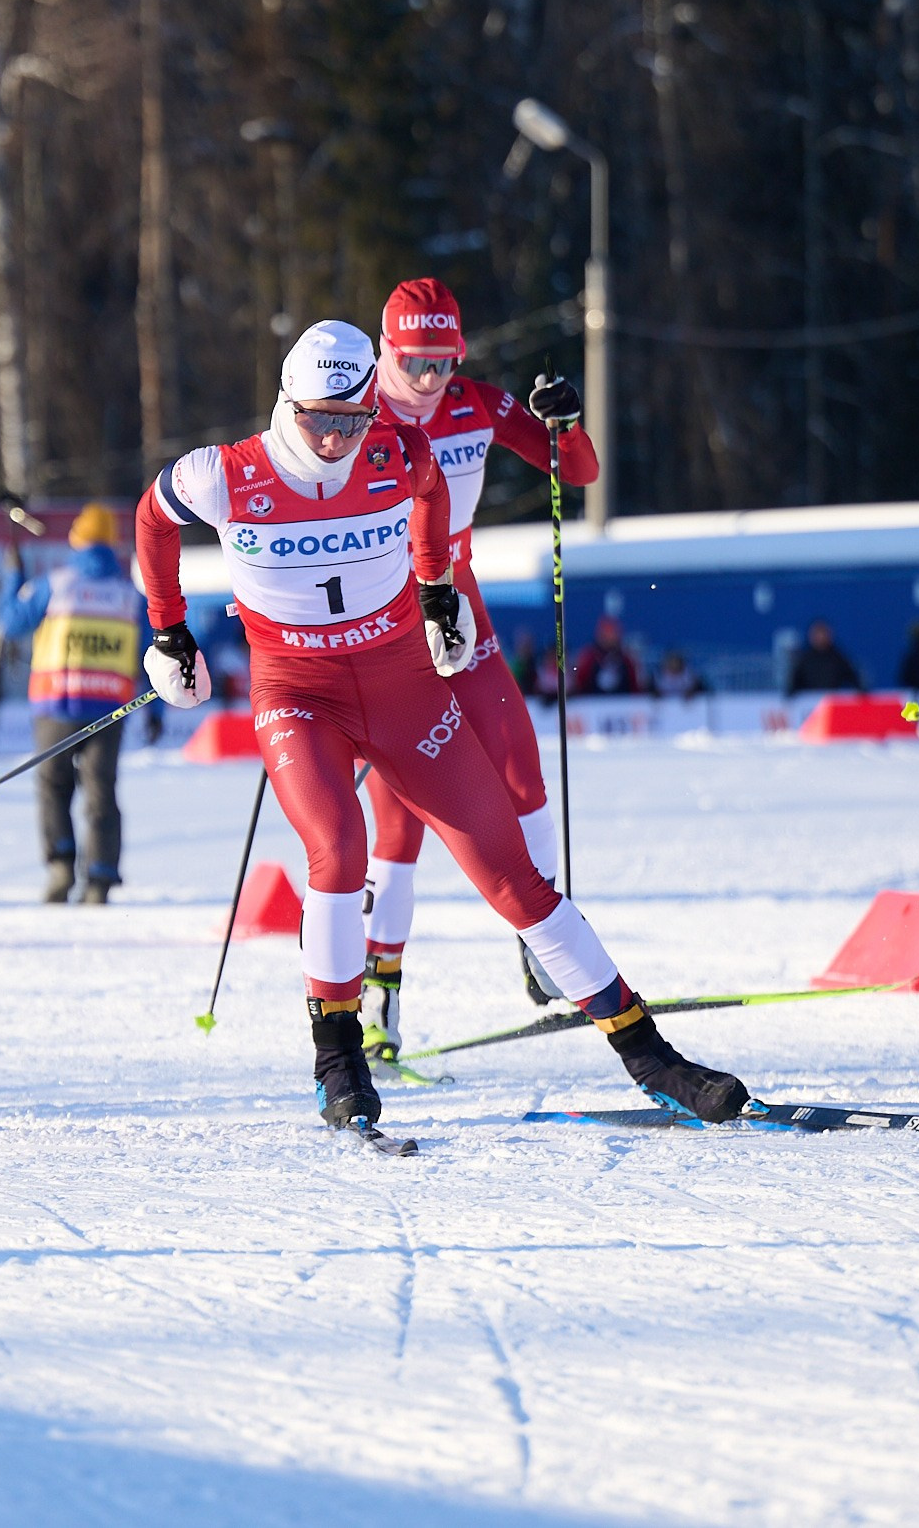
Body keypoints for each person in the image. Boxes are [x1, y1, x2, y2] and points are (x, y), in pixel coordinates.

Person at [136, 318, 748, 1127]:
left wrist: (435, 589)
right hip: (299, 693)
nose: (332, 438)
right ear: (287, 402)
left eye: (349, 420)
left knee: (513, 878)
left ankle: (651, 1056)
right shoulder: (225, 473)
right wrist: (169, 627)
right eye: (316, 418)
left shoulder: (396, 449)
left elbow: (431, 496)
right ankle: (340, 1057)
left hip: (405, 688)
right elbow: (151, 517)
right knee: (339, 846)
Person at [356, 278, 604, 1048]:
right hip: (385, 611)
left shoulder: (478, 404)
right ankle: (377, 996)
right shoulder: (353, 414)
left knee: (520, 767)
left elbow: (579, 472)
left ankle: (544, 938)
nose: (428, 383)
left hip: (457, 596)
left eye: (442, 364)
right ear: (383, 351)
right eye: (412, 364)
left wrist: (565, 422)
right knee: (399, 816)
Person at [0, 502, 143, 904]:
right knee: (101, 791)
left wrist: (13, 577)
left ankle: (60, 865)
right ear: (112, 543)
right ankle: (100, 877)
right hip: (109, 710)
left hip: (56, 706)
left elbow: (11, 622)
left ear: (77, 540)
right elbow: (154, 652)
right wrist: (159, 709)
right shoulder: (130, 594)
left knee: (53, 787)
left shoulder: (56, 583)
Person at [573, 614, 645, 695]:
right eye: (606, 634)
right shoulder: (588, 657)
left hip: (622, 703)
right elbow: (579, 685)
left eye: (612, 634)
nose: (609, 638)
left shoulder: (626, 658)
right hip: (592, 703)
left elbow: (635, 687)